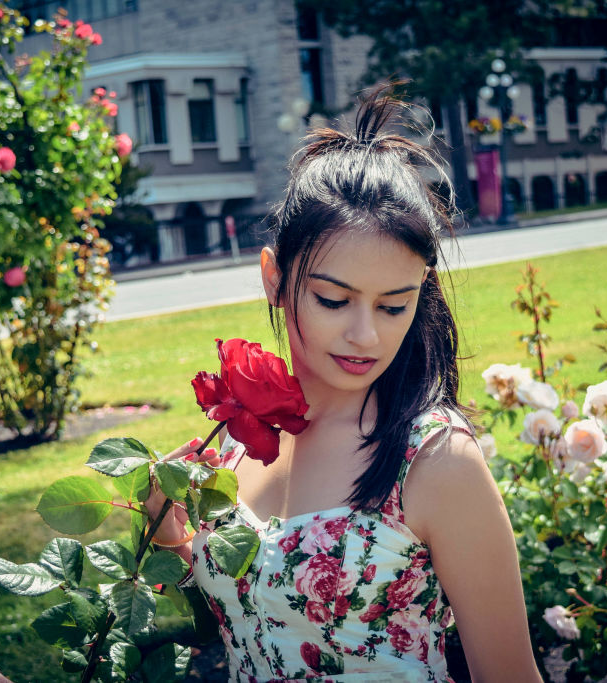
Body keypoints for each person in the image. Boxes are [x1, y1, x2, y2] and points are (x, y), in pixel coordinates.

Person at [147, 87, 541, 682]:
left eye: (393, 306)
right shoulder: (238, 439)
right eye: (334, 300)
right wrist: (177, 539)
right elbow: (265, 611)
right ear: (273, 277)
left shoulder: (435, 462)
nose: (366, 337)